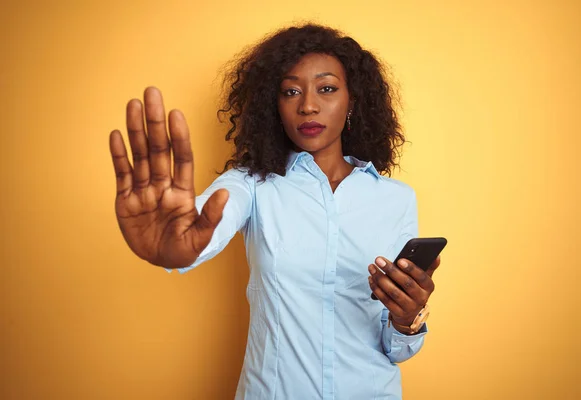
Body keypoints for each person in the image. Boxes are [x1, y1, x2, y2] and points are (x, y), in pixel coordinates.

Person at [109, 23, 442, 400]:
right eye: (291, 91)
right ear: (275, 105)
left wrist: (406, 319)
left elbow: (397, 349)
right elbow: (207, 222)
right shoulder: (251, 184)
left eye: (327, 88)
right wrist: (176, 245)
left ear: (354, 100)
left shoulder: (395, 199)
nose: (308, 105)